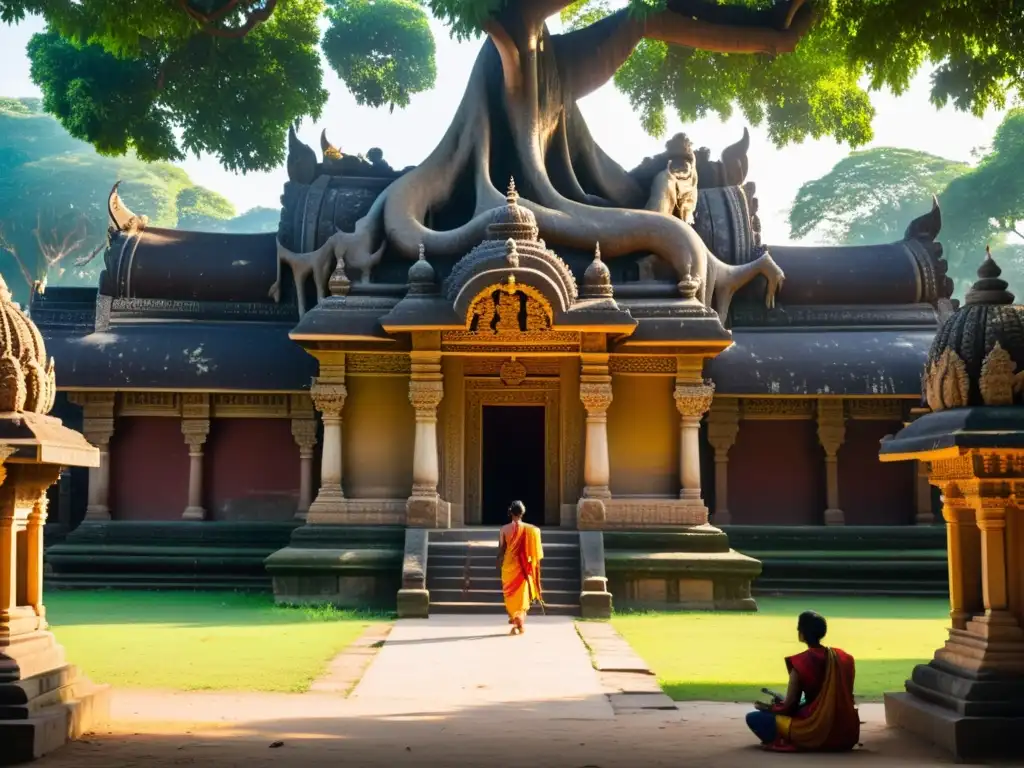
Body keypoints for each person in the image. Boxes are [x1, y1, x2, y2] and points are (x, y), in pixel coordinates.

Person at [745, 611, 860, 752]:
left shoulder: (801, 662)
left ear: (802, 633)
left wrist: (769, 708)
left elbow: (790, 707)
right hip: (846, 732)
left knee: (754, 718)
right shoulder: (844, 659)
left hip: (815, 728)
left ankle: (788, 740)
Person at [496, 500, 544, 635]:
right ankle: (519, 622)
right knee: (521, 596)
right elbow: (535, 549)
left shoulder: (504, 529)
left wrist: (498, 561)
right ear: (523, 513)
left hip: (508, 567)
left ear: (510, 513)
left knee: (510, 595)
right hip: (522, 567)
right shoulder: (531, 530)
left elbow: (501, 549)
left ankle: (516, 620)